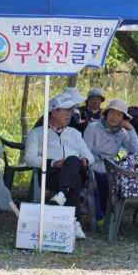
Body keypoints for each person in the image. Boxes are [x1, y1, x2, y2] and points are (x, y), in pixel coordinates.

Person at [23, 90, 94, 228]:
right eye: (66, 111)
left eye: (70, 111)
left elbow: (90, 156)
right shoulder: (37, 133)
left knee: (73, 160)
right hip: (52, 174)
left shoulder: (75, 133)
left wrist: (85, 160)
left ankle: (62, 196)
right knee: (76, 178)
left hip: (74, 169)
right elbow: (29, 158)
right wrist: (53, 162)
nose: (69, 114)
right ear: (54, 112)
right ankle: (75, 222)